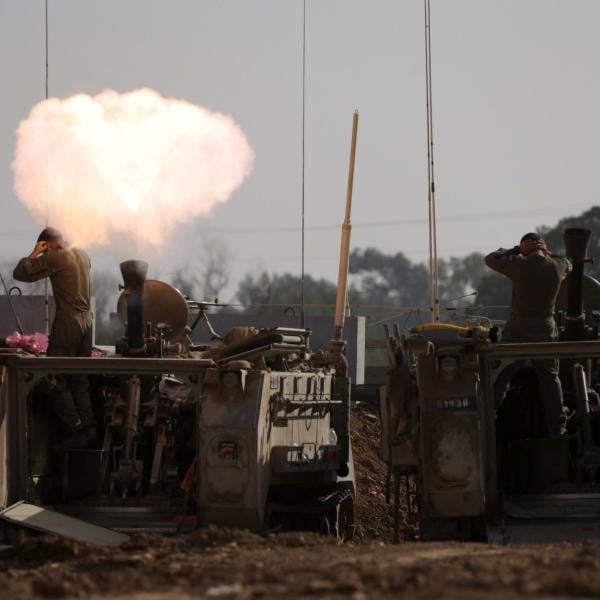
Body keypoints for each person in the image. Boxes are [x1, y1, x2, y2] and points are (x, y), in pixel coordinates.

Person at [13, 227, 97, 449]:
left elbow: (20, 273)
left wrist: (34, 254)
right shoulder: (82, 253)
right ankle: (90, 429)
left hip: (68, 322)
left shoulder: (57, 256)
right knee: (79, 379)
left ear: (47, 244)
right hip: (88, 322)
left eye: (44, 247)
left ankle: (74, 427)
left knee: (54, 376)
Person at [485, 232, 572, 437]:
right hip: (546, 333)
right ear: (542, 246)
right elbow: (570, 262)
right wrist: (548, 252)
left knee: (502, 375)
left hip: (517, 334)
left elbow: (490, 258)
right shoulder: (556, 266)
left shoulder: (518, 265)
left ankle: (489, 415)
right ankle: (558, 426)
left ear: (526, 248)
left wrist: (517, 249)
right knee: (551, 379)